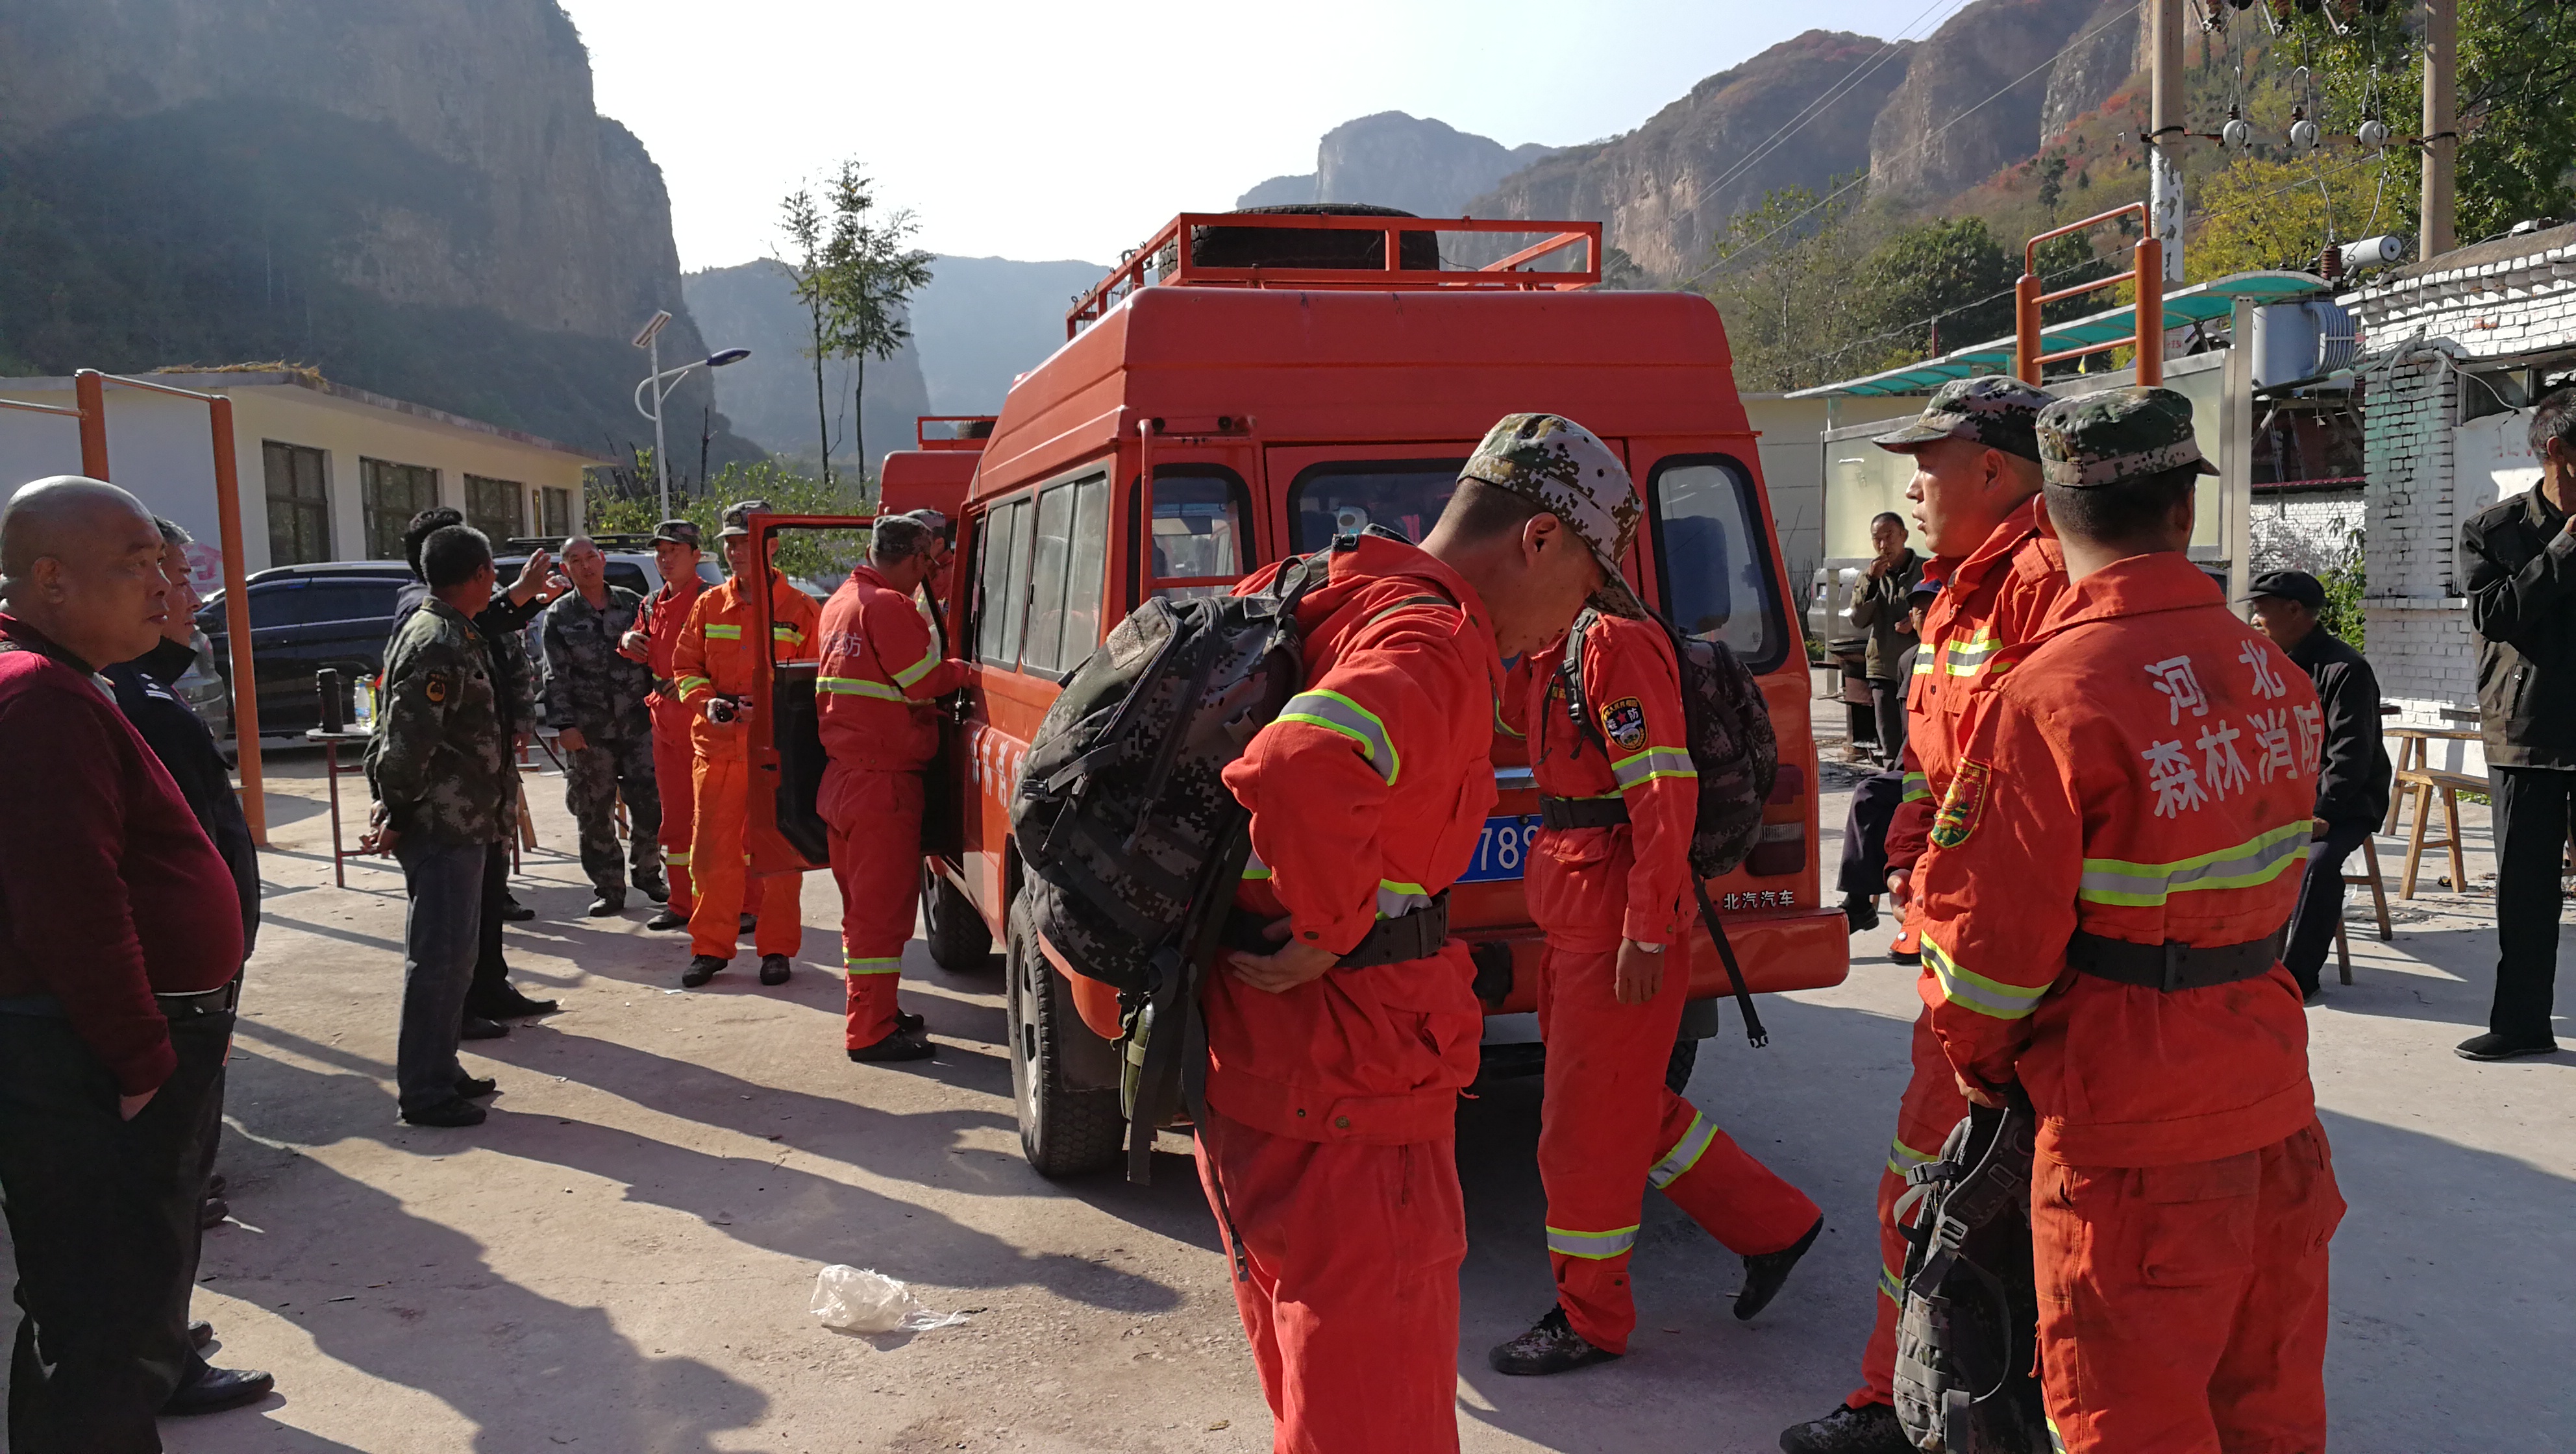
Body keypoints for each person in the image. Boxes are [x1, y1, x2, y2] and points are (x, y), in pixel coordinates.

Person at [1912, 386, 2342, 1452]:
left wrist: (1986, 1072)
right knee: (2268, 1419)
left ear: (2048, 512)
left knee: (2128, 1427)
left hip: (2126, 1135)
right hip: (2270, 1100)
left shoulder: (2052, 699)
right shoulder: (2274, 673)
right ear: (2182, 514)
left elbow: (1980, 972)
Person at [1200, 413, 1629, 1453]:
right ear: (1539, 541)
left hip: (1258, 1065)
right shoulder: (1434, 640)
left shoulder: (1328, 587)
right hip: (1353, 1078)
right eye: (1584, 588)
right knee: (1376, 1413)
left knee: (1315, 1377)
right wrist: (1331, 927)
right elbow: (1302, 767)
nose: (1569, 626)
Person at [1781, 374, 2062, 1454]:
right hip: (1953, 945)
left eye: (1928, 461)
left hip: (2002, 958)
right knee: (1924, 1180)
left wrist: (1945, 879)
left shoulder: (2040, 583)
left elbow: (2033, 790)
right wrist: (1904, 856)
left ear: (1991, 468)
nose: (1912, 481)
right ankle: (1901, 1398)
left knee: (1961, 1185)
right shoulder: (1959, 586)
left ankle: (1947, 1412)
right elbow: (1927, 760)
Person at [1487, 569, 1823, 1377]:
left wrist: (1645, 929)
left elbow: (1660, 797)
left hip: (1612, 918)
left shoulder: (1612, 644)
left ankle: (1589, 1316)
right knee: (1627, 1104)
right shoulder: (1557, 649)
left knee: (1579, 1130)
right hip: (1575, 904)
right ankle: (1774, 1223)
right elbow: (1505, 714)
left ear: (1551, 548)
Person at [0, 476, 271, 1445]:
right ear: (51, 579)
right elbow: (71, 902)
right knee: (107, 1324)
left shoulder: (71, 682)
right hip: (87, 1058)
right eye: (133, 562)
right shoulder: (41, 697)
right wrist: (143, 1058)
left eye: (162, 561)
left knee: (95, 1313)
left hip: (106, 1045)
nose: (163, 581)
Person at [101, 519, 263, 1395]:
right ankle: (156, 1361)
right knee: (159, 1188)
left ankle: (158, 1334)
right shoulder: (117, 702)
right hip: (168, 993)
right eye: (160, 574)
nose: (182, 592)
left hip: (196, 980)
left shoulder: (147, 689)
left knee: (172, 1182)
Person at [367, 524, 515, 1129]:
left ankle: (441, 1065)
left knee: (458, 955)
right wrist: (398, 812)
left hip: (468, 818)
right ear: (479, 574)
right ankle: (424, 1090)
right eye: (493, 572)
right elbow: (407, 740)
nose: (497, 581)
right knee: (438, 958)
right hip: (441, 822)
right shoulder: (437, 641)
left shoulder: (455, 631)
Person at [393, 508, 558, 1028]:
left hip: (482, 781)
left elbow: (490, 634)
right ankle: (453, 1022)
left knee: (486, 892)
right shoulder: (423, 616)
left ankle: (487, 986)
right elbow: (410, 735)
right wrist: (396, 809)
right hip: (448, 797)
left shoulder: (460, 615)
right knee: (448, 926)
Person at [814, 514, 963, 1062]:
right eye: (930, 562)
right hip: (882, 785)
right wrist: (964, 673)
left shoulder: (841, 602)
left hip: (844, 780)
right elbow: (924, 680)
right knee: (881, 917)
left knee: (862, 912)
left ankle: (875, 1008)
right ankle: (870, 1029)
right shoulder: (889, 607)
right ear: (917, 560)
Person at [2456, 384, 2576, 1061]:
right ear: (2556, 451)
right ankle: (2521, 1022)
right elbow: (2494, 615)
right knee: (2526, 894)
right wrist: (2562, 551)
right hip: (2525, 734)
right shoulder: (2493, 529)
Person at [671, 500, 821, 988]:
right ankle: (710, 948)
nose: (736, 550)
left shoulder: (801, 608)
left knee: (778, 856)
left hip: (775, 754)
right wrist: (708, 703)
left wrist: (772, 711)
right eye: (730, 542)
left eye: (746, 540)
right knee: (711, 856)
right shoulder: (708, 604)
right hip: (716, 748)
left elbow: (816, 681)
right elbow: (685, 667)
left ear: (772, 544)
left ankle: (776, 949)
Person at [2248, 569, 2391, 1002]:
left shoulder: (2345, 669)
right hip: (2282, 799)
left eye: (2262, 611)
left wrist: (2324, 813)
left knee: (2318, 865)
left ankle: (2297, 977)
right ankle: (2240, 965)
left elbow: (2351, 753)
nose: (2255, 621)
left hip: (2344, 802)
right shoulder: (2265, 666)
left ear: (2295, 611)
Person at [541, 535, 665, 917]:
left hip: (639, 724)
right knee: (592, 811)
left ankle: (648, 873)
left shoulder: (634, 604)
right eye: (574, 561)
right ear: (565, 570)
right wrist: (564, 725)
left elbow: (658, 658)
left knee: (650, 806)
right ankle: (609, 887)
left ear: (604, 559)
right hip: (590, 731)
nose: (585, 566)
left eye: (590, 557)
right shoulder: (559, 616)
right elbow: (554, 676)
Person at [1836, 575, 1940, 933]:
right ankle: (1861, 900)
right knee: (1875, 796)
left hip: (1946, 769)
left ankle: (1885, 906)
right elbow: (1904, 728)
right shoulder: (1910, 659)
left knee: (1879, 798)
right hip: (1914, 764)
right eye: (1917, 609)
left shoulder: (1958, 655)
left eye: (1930, 608)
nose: (1922, 616)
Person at [623, 519, 711, 933]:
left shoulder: (712, 600)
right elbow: (641, 643)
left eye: (675, 550)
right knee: (675, 819)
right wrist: (628, 641)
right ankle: (681, 902)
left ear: (696, 555)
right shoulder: (650, 602)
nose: (665, 557)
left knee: (717, 817)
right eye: (660, 551)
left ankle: (741, 903)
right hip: (663, 719)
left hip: (701, 720)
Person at [1845, 511, 1923, 762]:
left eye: (1889, 537)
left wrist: (1917, 621)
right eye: (1877, 539)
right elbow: (1858, 620)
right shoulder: (1870, 576)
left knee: (1917, 740)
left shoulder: (1926, 570)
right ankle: (1892, 790)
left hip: (1917, 668)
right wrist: (1871, 582)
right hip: (1882, 668)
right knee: (1890, 744)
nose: (1883, 545)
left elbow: (1948, 609)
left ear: (1905, 535)